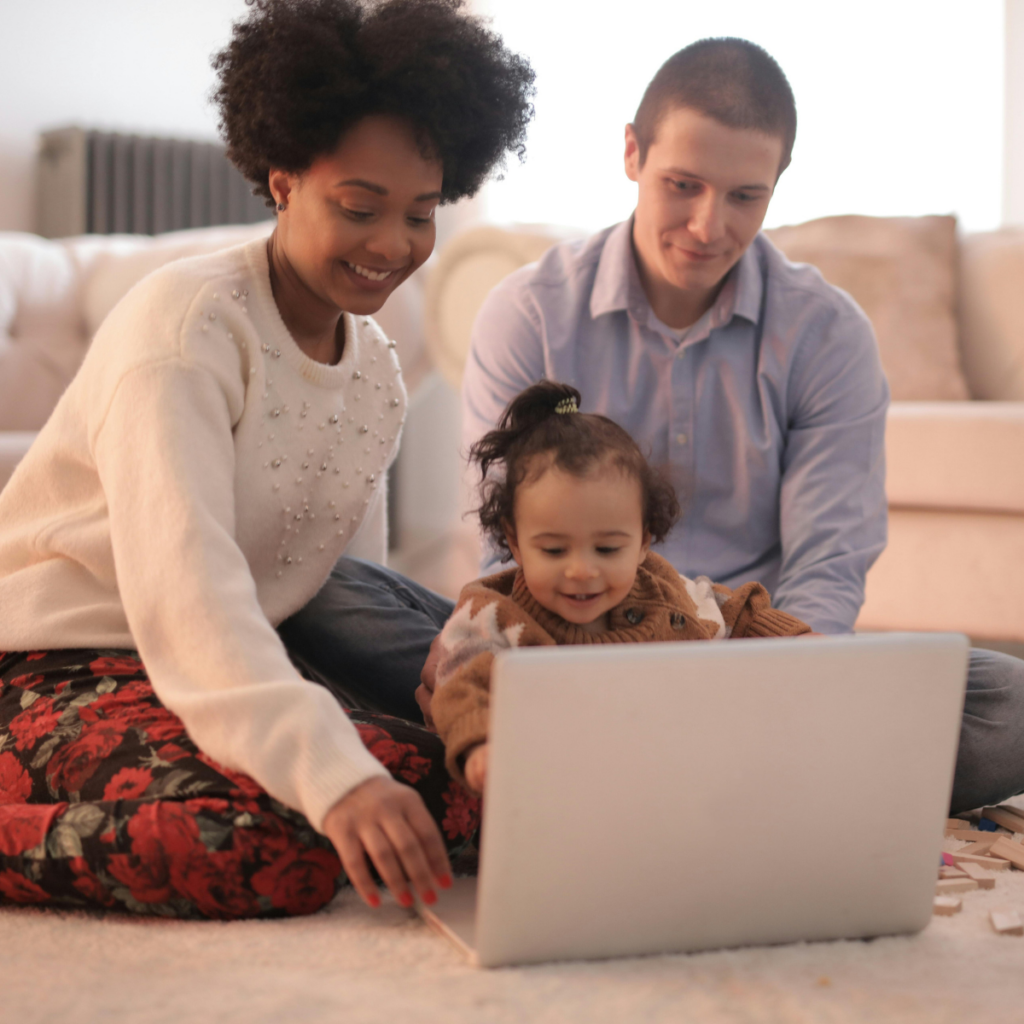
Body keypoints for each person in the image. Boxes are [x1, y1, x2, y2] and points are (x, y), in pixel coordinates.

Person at [289, 36, 1024, 816]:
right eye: (683, 185)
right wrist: (536, 665)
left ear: (777, 186)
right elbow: (507, 543)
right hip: (554, 644)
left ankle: (588, 764)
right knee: (320, 592)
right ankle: (743, 780)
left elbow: (829, 562)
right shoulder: (529, 312)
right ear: (633, 154)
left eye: (744, 197)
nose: (708, 225)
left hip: (744, 666)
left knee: (1007, 699)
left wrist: (774, 683)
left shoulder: (827, 333)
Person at [0, 0, 534, 918]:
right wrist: (334, 777)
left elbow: (328, 589)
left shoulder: (377, 371)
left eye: (420, 214)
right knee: (267, 842)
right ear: (283, 181)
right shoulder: (186, 328)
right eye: (359, 208)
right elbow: (188, 593)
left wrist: (411, 715)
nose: (393, 245)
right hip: (60, 666)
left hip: (228, 661)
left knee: (479, 792)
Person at [430, 381, 811, 794]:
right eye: (554, 550)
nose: (581, 571)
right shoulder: (490, 614)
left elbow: (731, 611)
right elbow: (460, 686)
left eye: (607, 549)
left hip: (672, 778)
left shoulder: (661, 591)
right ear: (515, 542)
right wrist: (481, 744)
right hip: (556, 787)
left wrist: (798, 641)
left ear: (644, 541)